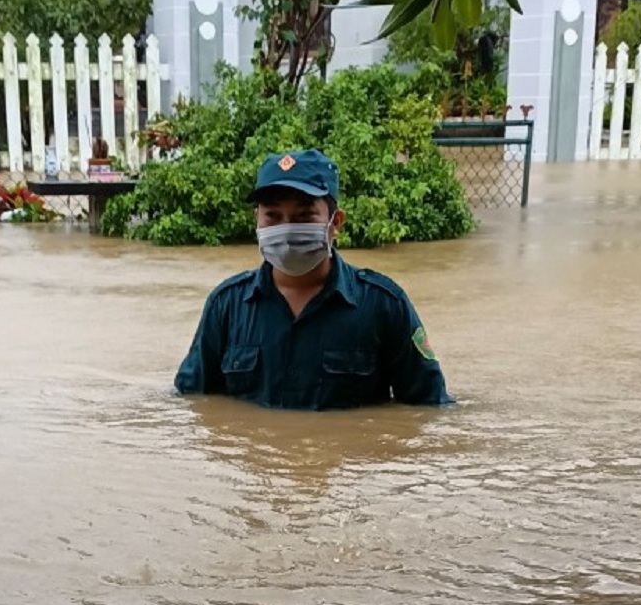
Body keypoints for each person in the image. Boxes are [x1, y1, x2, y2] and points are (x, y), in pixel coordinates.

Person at [173, 149, 453, 410]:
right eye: (273, 216)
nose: (287, 229)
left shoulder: (384, 305)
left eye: (304, 216)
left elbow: (428, 410)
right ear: (256, 220)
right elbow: (195, 402)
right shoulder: (226, 305)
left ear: (336, 223)